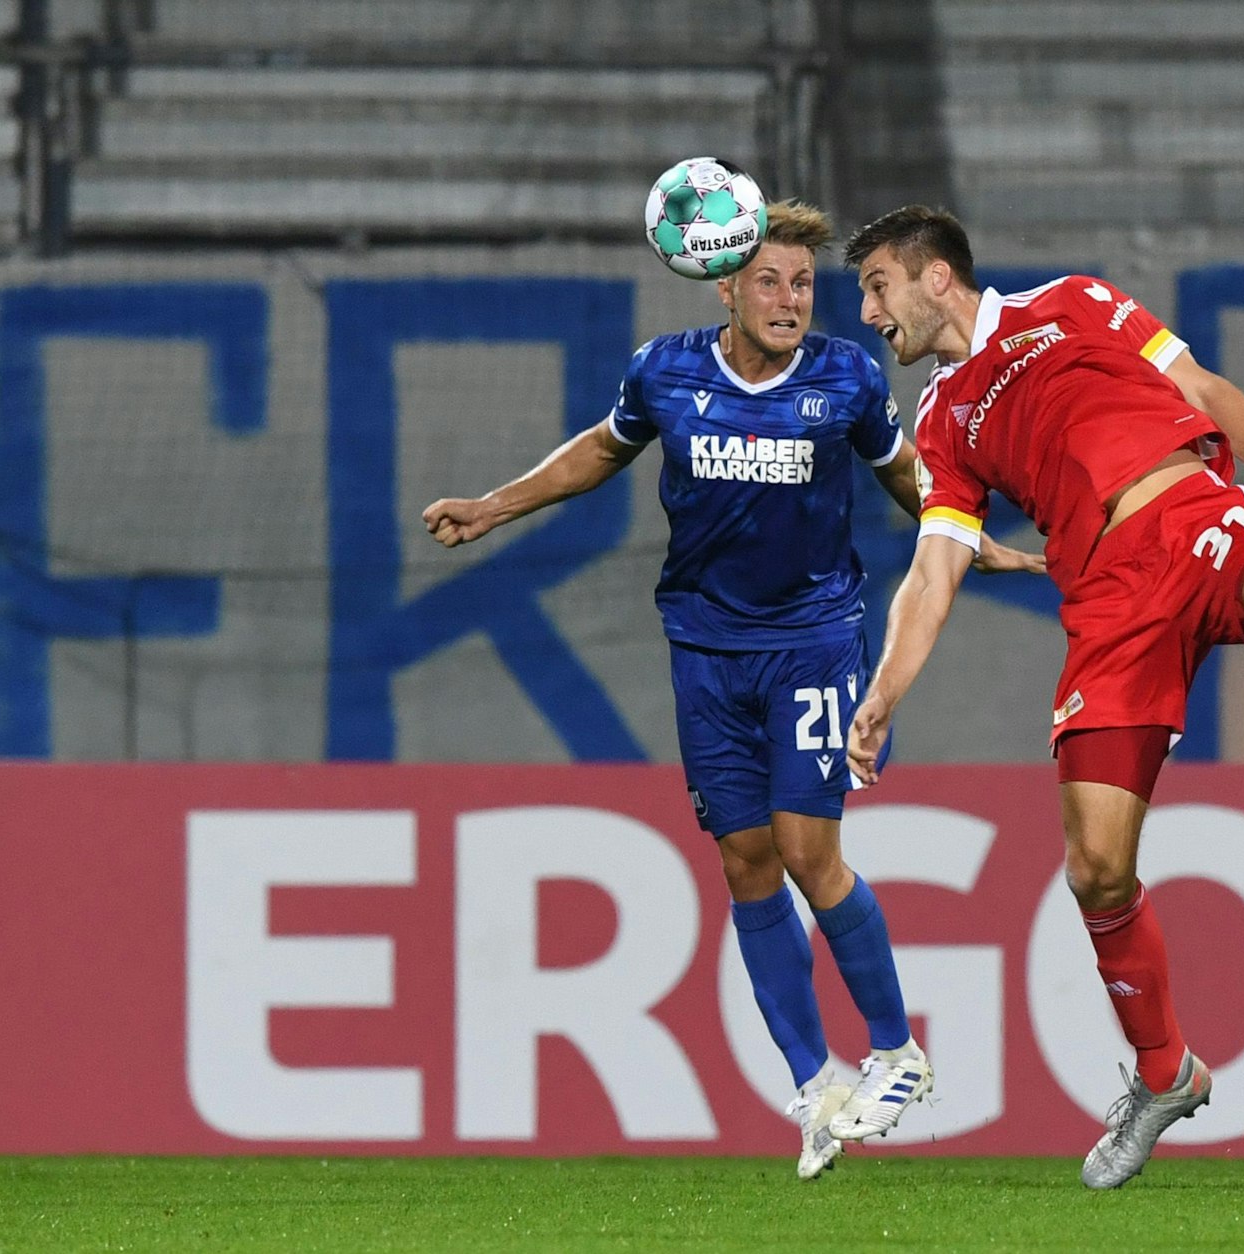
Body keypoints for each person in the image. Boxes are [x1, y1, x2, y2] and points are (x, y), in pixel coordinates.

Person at [840, 205, 1244, 1189]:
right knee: (1095, 869)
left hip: (1183, 500)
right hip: (1106, 601)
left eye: (876, 286)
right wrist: (884, 691)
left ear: (933, 277)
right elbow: (934, 570)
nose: (869, 314)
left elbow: (1196, 386)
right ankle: (1165, 1071)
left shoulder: (1073, 301)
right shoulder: (940, 425)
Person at [423, 201, 1041, 1180]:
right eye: (770, 282)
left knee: (805, 849)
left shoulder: (845, 375)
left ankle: (895, 1049)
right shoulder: (663, 370)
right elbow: (599, 449)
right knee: (745, 861)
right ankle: (815, 1085)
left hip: (815, 643)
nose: (791, 300)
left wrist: (960, 534)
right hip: (703, 649)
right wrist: (492, 507)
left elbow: (903, 472)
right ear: (726, 288)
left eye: (802, 283)